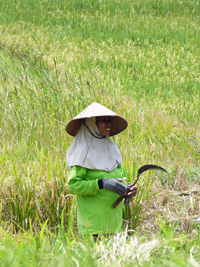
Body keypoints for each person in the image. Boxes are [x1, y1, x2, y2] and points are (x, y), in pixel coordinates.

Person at [66, 102, 137, 239]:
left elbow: (122, 179)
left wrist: (129, 189)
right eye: (103, 120)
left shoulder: (112, 151)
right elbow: (73, 186)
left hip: (114, 225)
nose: (108, 124)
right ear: (92, 124)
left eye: (109, 119)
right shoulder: (82, 153)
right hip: (93, 228)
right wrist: (102, 183)